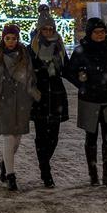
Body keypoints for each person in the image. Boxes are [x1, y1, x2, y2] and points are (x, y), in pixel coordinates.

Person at [66, 17, 107, 188]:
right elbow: (70, 71)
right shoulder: (81, 51)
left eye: (102, 32)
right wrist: (82, 83)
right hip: (89, 101)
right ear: (90, 33)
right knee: (91, 138)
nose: (100, 35)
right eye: (96, 32)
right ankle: (93, 175)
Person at [0, 23, 41, 192]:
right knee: (9, 138)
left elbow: (31, 76)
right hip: (4, 103)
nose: (11, 41)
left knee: (16, 141)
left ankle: (4, 163)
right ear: (3, 38)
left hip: (21, 102)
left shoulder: (24, 56)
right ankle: (11, 176)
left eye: (14, 38)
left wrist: (30, 91)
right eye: (8, 38)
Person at [29, 10, 69, 188]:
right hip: (39, 97)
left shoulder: (59, 47)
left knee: (53, 137)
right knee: (41, 136)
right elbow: (25, 72)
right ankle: (46, 171)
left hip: (56, 96)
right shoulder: (32, 48)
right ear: (39, 30)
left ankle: (43, 162)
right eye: (44, 29)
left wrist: (85, 80)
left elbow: (67, 69)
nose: (48, 31)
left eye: (50, 28)